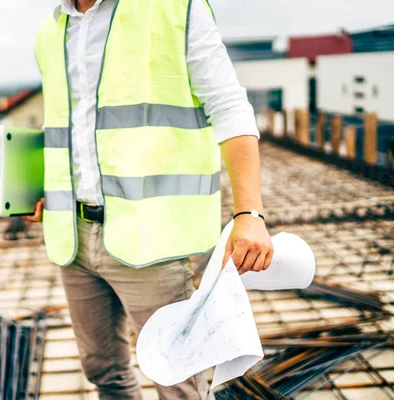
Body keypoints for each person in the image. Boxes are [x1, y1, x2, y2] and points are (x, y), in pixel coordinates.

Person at [25, 0, 274, 398]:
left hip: (152, 239)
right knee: (104, 373)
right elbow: (70, 125)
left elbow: (229, 107)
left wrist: (250, 213)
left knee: (178, 383)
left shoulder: (173, 7)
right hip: (73, 238)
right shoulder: (51, 31)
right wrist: (45, 188)